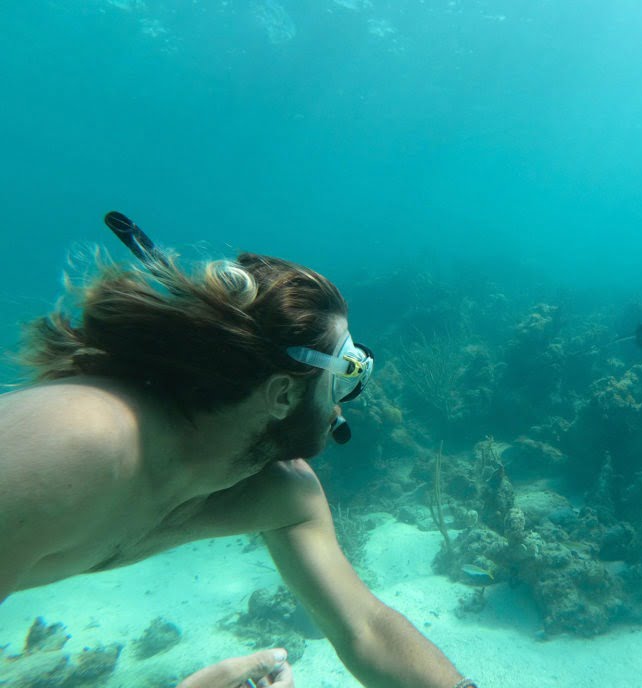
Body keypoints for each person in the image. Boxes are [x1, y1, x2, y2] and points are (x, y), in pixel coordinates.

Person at [0, 243, 477, 688]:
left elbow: (365, 628)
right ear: (284, 393)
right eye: (344, 376)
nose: (343, 408)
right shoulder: (76, 444)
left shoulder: (284, 493)